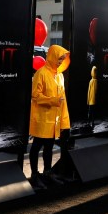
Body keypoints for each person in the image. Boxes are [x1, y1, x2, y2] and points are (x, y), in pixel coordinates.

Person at [28, 45, 70, 190]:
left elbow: (62, 100)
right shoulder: (41, 73)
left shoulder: (59, 75)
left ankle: (47, 173)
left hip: (54, 120)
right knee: (37, 146)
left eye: (63, 58)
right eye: (59, 58)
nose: (60, 61)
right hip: (42, 118)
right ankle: (34, 175)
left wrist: (65, 123)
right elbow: (35, 95)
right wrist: (52, 100)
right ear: (52, 56)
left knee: (49, 147)